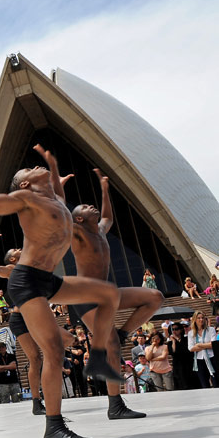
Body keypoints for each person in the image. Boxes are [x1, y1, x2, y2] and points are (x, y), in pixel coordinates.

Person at [0, 135, 122, 438]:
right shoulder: (25, 199)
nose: (35, 167)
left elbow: (59, 196)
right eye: (30, 169)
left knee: (107, 293)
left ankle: (103, 353)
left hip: (48, 280)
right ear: (24, 184)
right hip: (27, 280)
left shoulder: (56, 200)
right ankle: (53, 428)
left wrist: (54, 171)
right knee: (54, 351)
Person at [67, 168, 156, 419]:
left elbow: (107, 217)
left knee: (154, 297)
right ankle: (115, 405)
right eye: (86, 207)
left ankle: (123, 332)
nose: (91, 206)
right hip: (86, 297)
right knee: (112, 346)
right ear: (79, 219)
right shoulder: (78, 235)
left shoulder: (101, 231)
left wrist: (105, 189)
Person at [0, 232, 52, 415]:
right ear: (13, 259)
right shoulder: (12, 269)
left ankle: (47, 395)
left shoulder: (31, 267)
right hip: (20, 319)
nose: (19, 248)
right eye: (16, 249)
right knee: (35, 358)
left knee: (55, 349)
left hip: (37, 317)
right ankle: (37, 401)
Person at [188, 311, 217, 388]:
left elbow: (213, 344)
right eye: (199, 318)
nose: (201, 320)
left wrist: (198, 345)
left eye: (202, 318)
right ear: (195, 320)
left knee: (216, 382)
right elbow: (191, 348)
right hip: (199, 360)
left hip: (211, 358)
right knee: (204, 384)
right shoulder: (191, 333)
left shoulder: (211, 329)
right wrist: (206, 345)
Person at [168, 322, 196, 390]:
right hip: (178, 366)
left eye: (176, 329)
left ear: (181, 330)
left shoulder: (187, 339)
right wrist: (174, 341)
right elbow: (173, 352)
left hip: (188, 365)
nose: (174, 331)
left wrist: (177, 339)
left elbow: (186, 350)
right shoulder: (170, 343)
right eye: (172, 329)